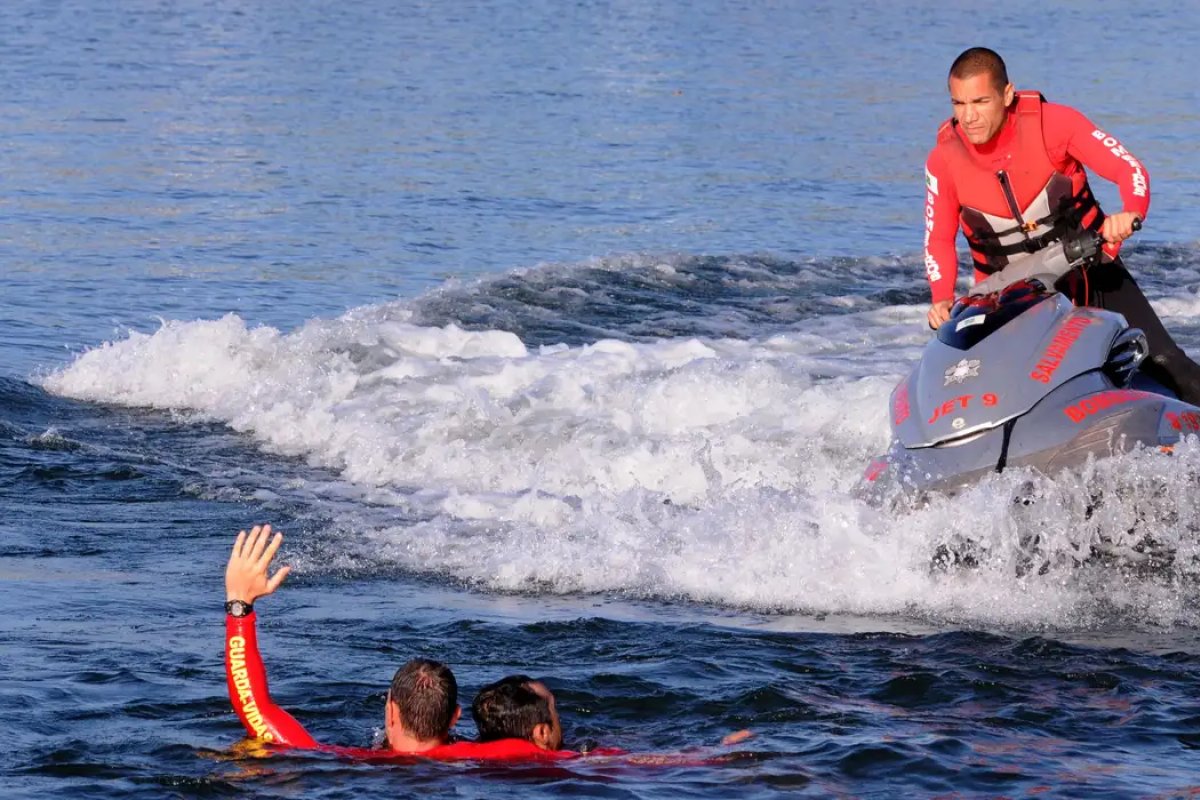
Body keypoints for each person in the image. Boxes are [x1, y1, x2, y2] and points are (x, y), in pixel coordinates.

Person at [922, 47, 1200, 404]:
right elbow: (938, 239)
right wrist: (941, 297)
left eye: (980, 101)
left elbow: (1128, 169)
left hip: (1091, 274)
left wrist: (1129, 213)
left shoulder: (1055, 124)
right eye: (959, 104)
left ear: (1007, 95)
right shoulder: (943, 160)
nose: (969, 116)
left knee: (1166, 364)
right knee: (991, 393)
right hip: (1010, 299)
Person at [223, 523, 607, 761]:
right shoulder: (509, 754)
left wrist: (240, 604)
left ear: (391, 712)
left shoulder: (348, 762)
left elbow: (254, 706)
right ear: (456, 718)